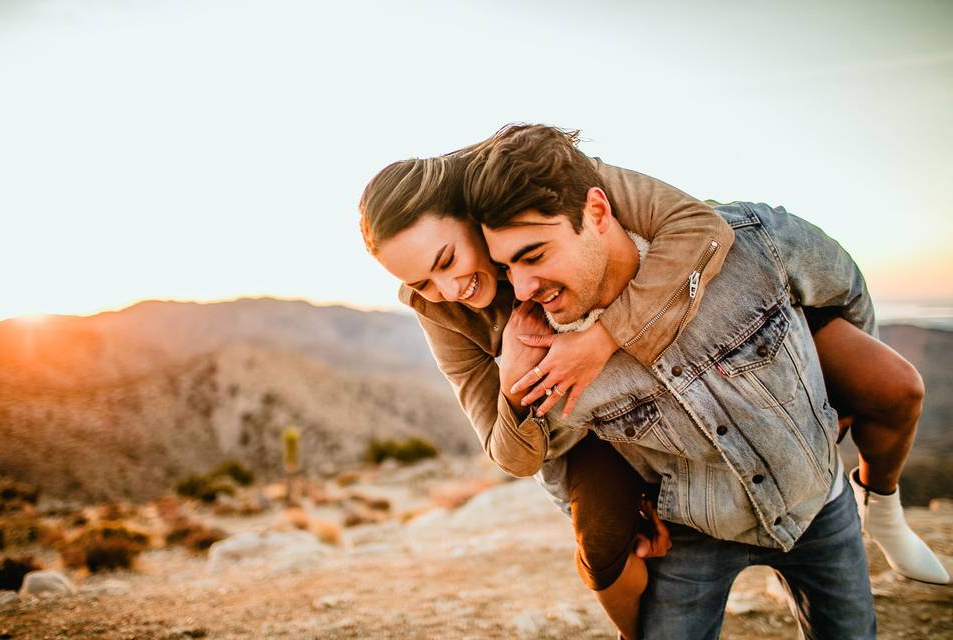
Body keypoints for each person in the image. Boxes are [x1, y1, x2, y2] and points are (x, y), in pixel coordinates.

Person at [360, 126, 947, 638]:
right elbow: (513, 448)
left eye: (445, 262)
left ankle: (883, 505)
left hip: (786, 447)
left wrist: (602, 338)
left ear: (468, 215)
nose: (443, 289)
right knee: (605, 543)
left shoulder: (552, 182)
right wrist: (514, 384)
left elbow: (702, 227)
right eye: (420, 283)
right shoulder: (450, 310)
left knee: (891, 386)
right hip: (620, 456)